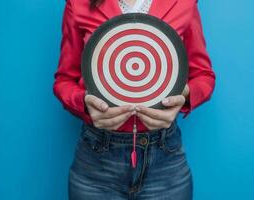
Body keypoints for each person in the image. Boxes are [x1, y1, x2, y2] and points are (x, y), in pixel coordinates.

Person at [53, 0, 216, 199]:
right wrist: (84, 104)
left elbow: (204, 76)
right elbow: (64, 80)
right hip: (97, 161)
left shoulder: (184, 3)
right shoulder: (78, 4)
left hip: (165, 160)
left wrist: (184, 95)